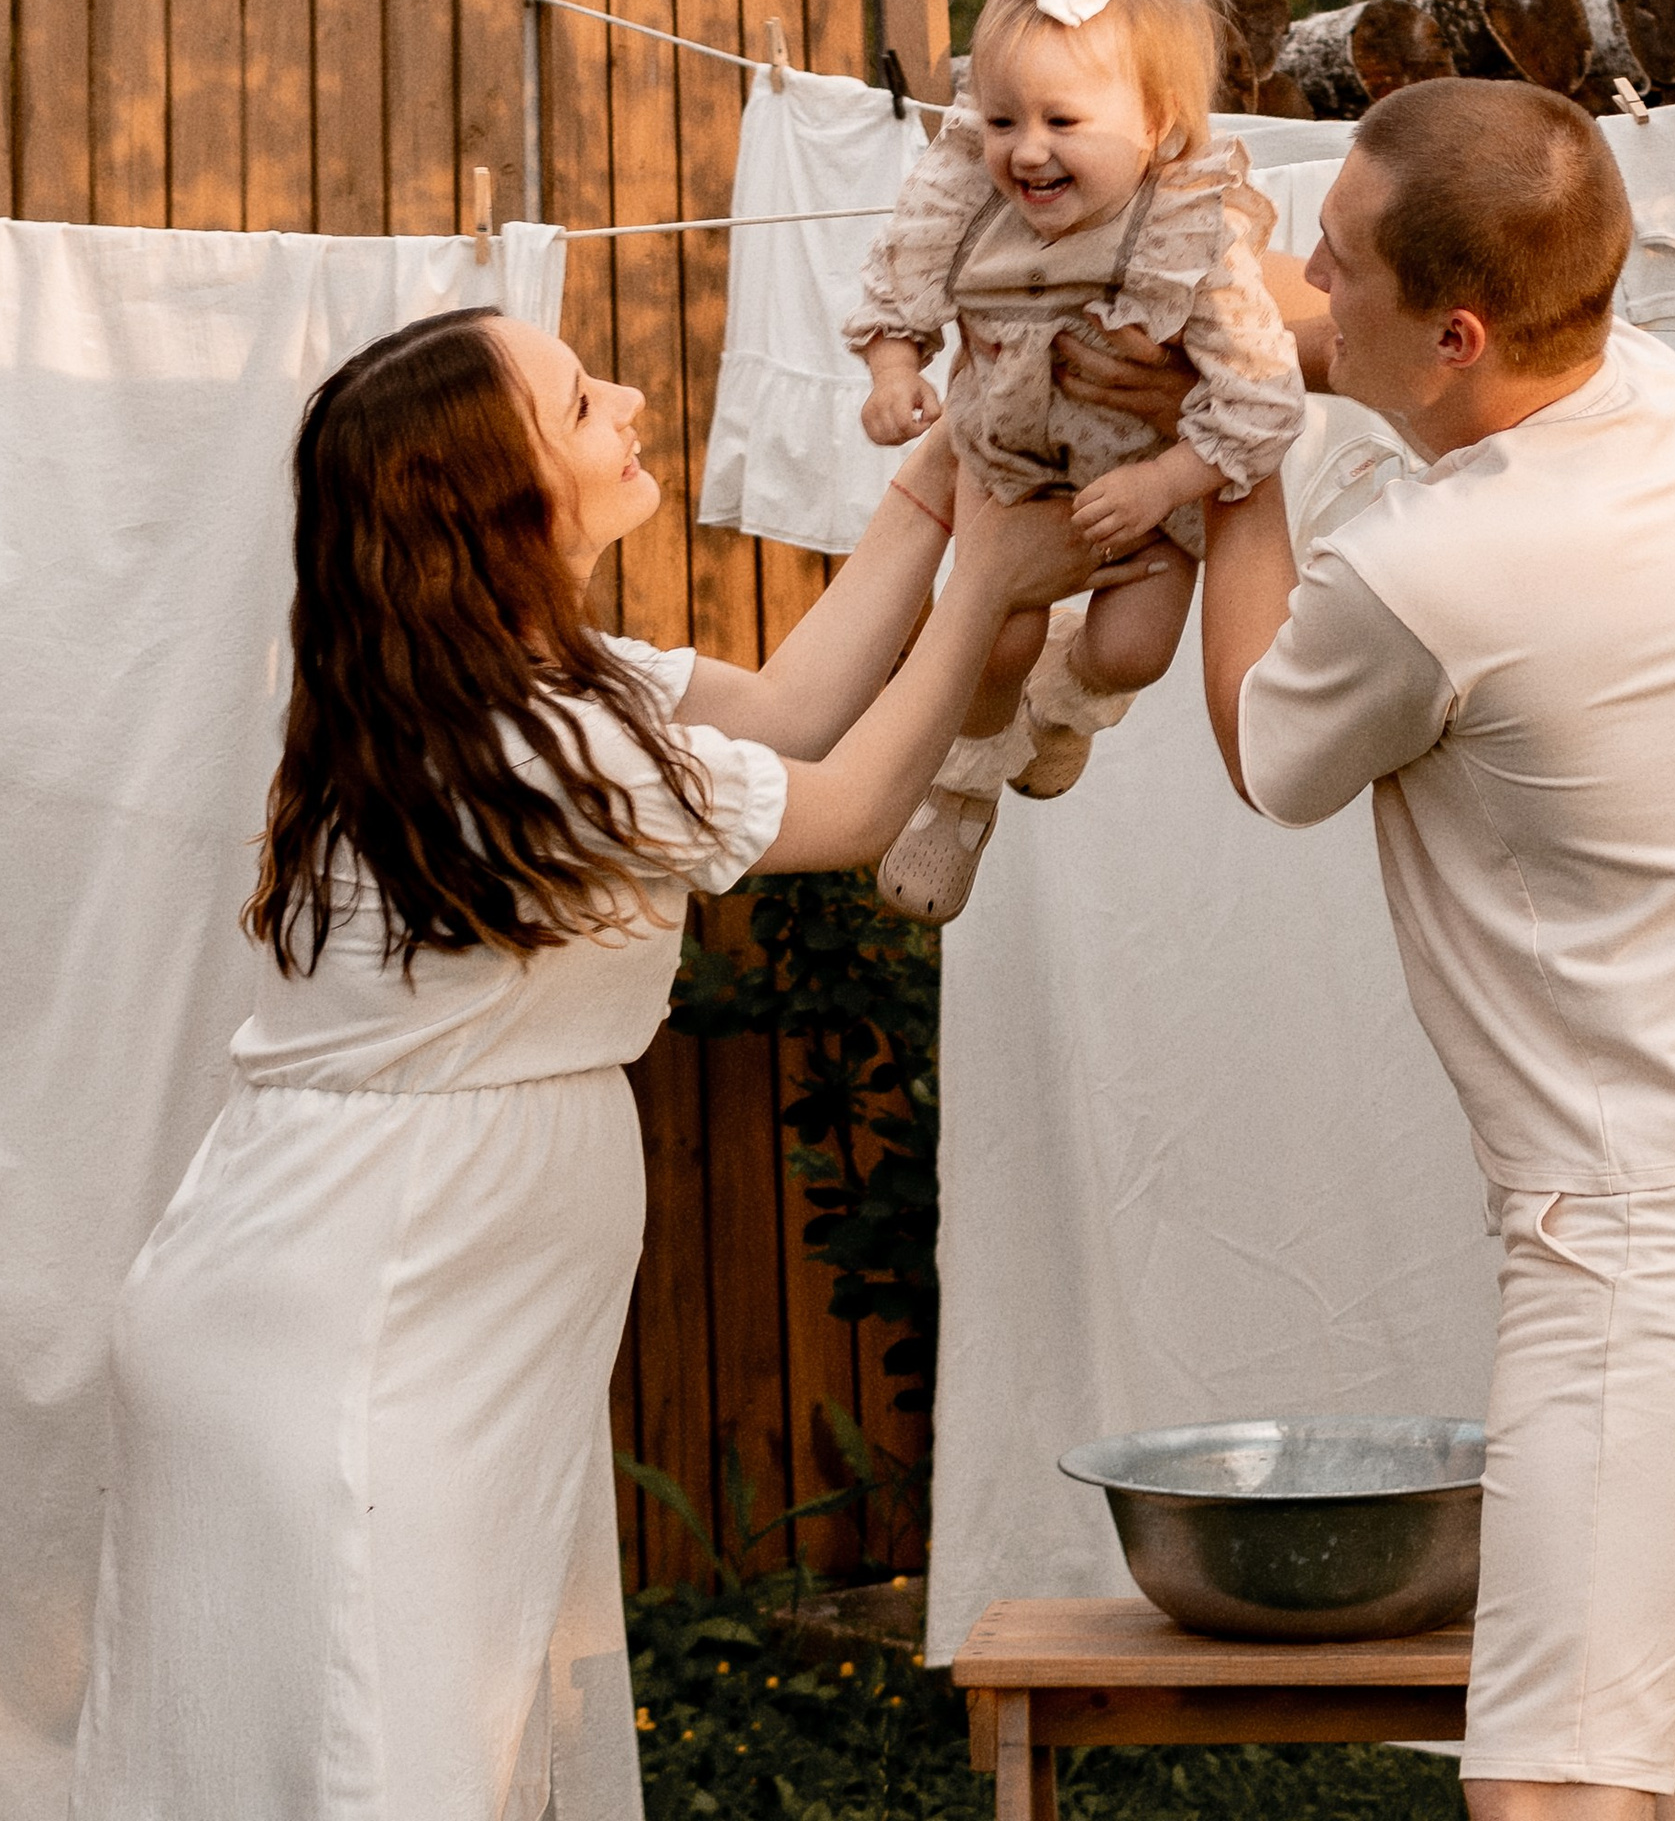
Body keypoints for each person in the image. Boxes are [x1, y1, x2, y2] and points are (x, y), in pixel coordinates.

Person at [69, 305, 1079, 1821]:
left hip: (399, 1298)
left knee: (441, 1740)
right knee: (385, 1752)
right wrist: (986, 579)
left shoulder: (537, 686)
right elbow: (855, 805)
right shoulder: (534, 747)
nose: (629, 396)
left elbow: (796, 710)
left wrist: (945, 471)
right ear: (500, 498)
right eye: (577, 400)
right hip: (354, 1326)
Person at [1192, 76, 1675, 1821]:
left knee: (1557, 1794)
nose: (1310, 288)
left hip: (1642, 1247)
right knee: (1671, 1760)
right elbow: (1405, 374)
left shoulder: (1443, 567)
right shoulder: (1639, 386)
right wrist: (1264, 299)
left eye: (1337, 268)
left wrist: (1237, 460)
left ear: (1460, 330)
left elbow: (1273, 754)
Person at [846, 0, 1303, 922]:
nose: (1026, 148)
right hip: (1005, 464)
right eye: (1002, 117)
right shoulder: (969, 190)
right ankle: (961, 782)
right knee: (990, 646)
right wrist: (891, 369)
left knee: (1135, 652)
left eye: (1061, 118)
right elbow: (903, 274)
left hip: (1142, 485)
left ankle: (1067, 705)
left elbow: (1266, 397)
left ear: (1156, 125)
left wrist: (1169, 481)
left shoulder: (1193, 235)